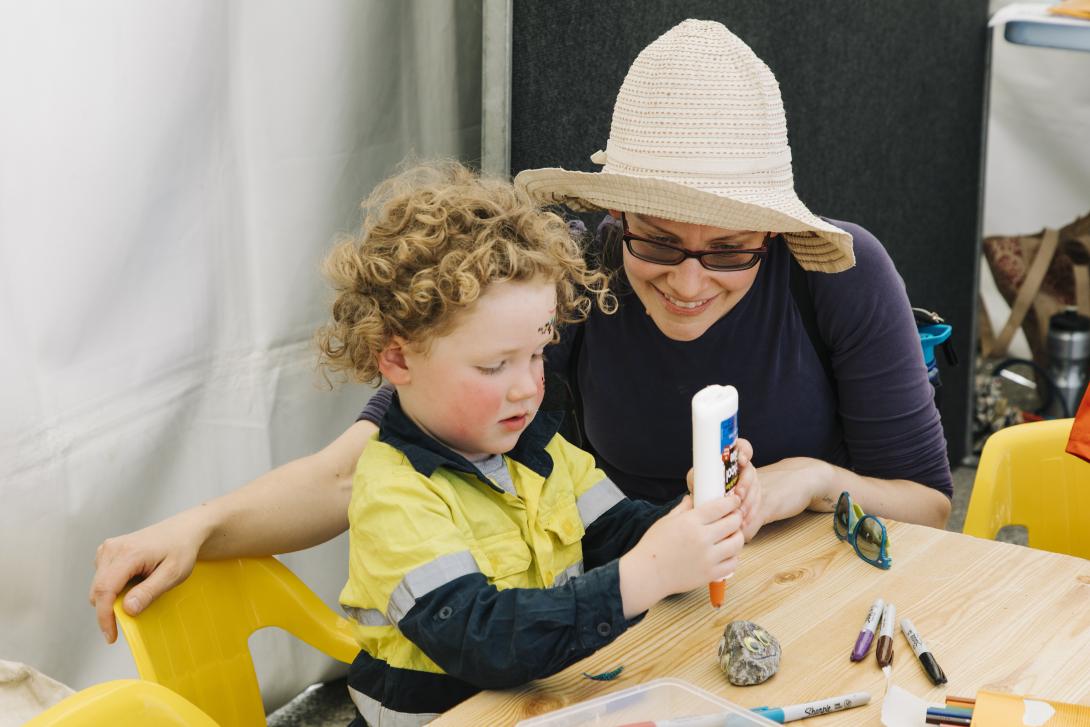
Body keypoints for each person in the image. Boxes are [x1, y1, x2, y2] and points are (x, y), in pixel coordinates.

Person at [90, 19, 952, 644]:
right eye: (657, 240)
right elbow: (361, 463)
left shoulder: (839, 278)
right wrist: (198, 526)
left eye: (730, 252)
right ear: (615, 215)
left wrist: (804, 481)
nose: (691, 281)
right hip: (635, 619)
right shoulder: (560, 280)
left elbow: (931, 510)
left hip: (821, 606)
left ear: (771, 232)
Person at [314, 161, 752, 724]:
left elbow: (617, 532)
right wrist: (644, 576)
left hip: (538, 707)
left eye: (539, 353)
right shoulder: (393, 495)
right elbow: (484, 639)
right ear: (397, 358)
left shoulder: (538, 447)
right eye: (495, 365)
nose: (528, 387)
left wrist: (697, 519)